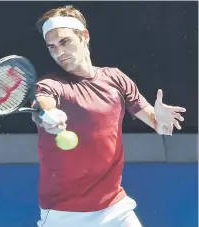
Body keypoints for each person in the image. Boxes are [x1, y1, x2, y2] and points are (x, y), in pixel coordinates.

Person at [31, 5, 186, 227]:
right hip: (63, 212)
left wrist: (161, 120)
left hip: (115, 207)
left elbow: (159, 125)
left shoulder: (116, 79)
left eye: (64, 42)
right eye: (51, 47)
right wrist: (49, 113)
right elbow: (43, 102)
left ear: (84, 36)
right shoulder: (52, 85)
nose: (58, 53)